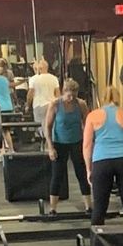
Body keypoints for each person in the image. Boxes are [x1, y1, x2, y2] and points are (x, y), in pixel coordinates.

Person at [84, 92, 123, 225]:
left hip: (101, 161)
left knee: (99, 208)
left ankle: (97, 244)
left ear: (103, 99)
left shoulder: (92, 116)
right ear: (118, 99)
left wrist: (89, 169)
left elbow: (87, 146)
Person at [45, 81, 89, 215]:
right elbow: (47, 127)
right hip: (59, 143)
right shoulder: (55, 105)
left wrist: (88, 145)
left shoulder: (81, 104)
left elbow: (87, 125)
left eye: (74, 95)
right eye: (69, 95)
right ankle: (52, 208)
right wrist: (50, 147)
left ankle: (89, 206)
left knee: (81, 173)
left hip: (77, 142)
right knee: (57, 175)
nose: (72, 98)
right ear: (64, 92)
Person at [27, 52, 60, 142]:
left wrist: (27, 105)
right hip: (52, 104)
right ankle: (51, 143)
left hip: (39, 105)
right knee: (51, 125)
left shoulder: (33, 79)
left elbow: (30, 93)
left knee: (41, 126)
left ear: (39, 69)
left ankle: (46, 143)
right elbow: (58, 94)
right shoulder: (54, 78)